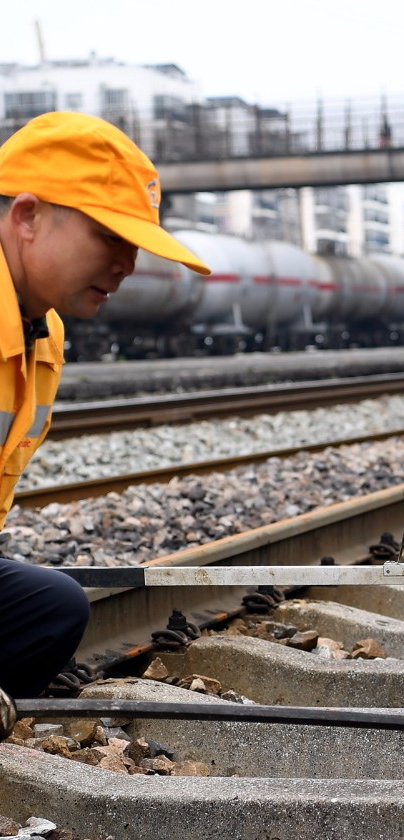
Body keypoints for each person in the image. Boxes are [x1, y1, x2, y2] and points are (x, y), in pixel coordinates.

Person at [0, 112, 210, 700]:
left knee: (52, 607)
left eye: (134, 244)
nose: (128, 264)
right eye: (108, 236)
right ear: (27, 216)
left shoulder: (43, 333)